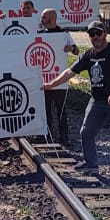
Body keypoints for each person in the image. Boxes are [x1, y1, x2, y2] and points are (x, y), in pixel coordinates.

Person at [44, 21, 110, 186]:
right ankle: (91, 164)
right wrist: (50, 85)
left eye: (98, 33)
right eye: (91, 34)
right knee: (86, 131)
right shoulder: (89, 55)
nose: (95, 37)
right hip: (98, 99)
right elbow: (69, 72)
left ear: (104, 34)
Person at [39, 8, 79, 144]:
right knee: (45, 110)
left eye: (44, 17)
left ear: (52, 18)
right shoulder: (39, 33)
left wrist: (72, 48)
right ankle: (47, 135)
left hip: (60, 79)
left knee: (61, 110)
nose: (42, 20)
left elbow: (76, 50)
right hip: (44, 79)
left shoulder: (64, 33)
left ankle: (64, 137)